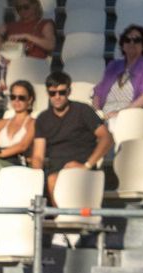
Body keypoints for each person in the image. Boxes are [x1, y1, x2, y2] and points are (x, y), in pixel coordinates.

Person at [30, 71, 111, 199]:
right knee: (50, 180)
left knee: (53, 180)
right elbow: (38, 156)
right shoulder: (42, 119)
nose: (57, 97)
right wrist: (35, 179)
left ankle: (61, 216)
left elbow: (106, 138)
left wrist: (86, 166)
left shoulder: (83, 110)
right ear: (47, 93)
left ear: (69, 91)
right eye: (52, 93)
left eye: (62, 92)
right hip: (56, 172)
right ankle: (60, 217)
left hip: (83, 170)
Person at [93, 24, 143, 124]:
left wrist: (120, 113)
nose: (131, 43)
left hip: (130, 114)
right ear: (123, 45)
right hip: (105, 114)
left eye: (136, 40)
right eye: (127, 40)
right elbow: (98, 92)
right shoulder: (113, 65)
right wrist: (96, 113)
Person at [0, 77, 35, 173]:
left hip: (18, 164)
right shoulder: (1, 123)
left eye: (21, 98)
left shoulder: (33, 123)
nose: (16, 101)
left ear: (29, 100)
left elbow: (23, 146)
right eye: (13, 97)